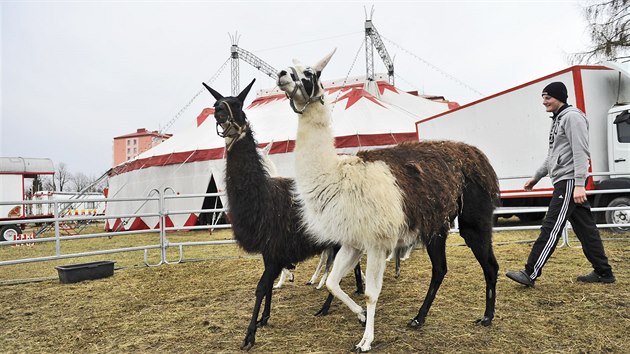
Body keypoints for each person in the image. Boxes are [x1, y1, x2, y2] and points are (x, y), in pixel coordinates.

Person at [506, 81, 615, 287]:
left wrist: (580, 184)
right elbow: (553, 155)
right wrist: (536, 177)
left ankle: (530, 273)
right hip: (564, 180)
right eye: (543, 98)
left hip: (569, 181)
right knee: (586, 230)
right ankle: (604, 272)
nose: (544, 101)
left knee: (551, 226)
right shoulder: (558, 119)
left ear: (560, 98)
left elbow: (581, 151)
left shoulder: (572, 117)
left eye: (548, 97)